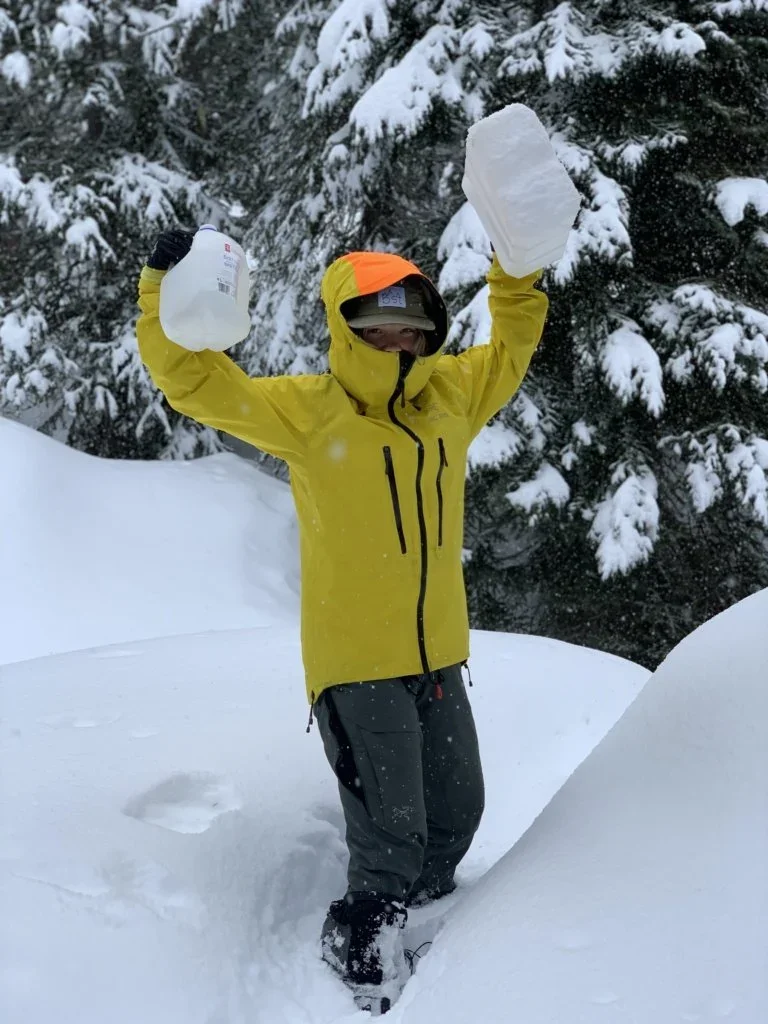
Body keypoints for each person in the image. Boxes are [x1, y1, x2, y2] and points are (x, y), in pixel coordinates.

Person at [136, 232, 548, 1011]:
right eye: (380, 329)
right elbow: (191, 379)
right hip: (356, 662)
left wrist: (517, 272)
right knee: (393, 825)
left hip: (438, 654)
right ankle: (362, 936)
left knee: (457, 811)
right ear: (346, 329)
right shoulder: (307, 413)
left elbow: (513, 344)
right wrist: (161, 288)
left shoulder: (453, 397)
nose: (400, 344)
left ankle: (425, 912)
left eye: (412, 330)